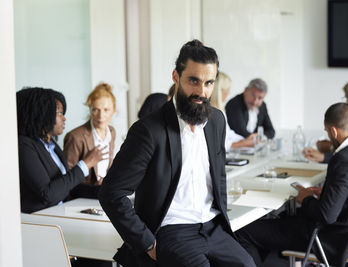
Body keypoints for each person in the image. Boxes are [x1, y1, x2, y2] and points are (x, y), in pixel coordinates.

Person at [99, 40, 256, 267]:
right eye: (194, 81)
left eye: (209, 83)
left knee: (247, 265)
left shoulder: (217, 121)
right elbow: (111, 193)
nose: (202, 92)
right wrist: (146, 243)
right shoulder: (148, 130)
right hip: (172, 230)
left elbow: (217, 178)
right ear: (176, 76)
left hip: (212, 225)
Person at [237, 103, 348, 267]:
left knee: (244, 231)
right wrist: (327, 195)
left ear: (333, 131)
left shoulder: (343, 159)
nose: (329, 136)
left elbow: (326, 216)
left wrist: (305, 198)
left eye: (328, 132)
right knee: (280, 221)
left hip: (331, 240)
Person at [17, 87, 104, 213]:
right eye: (59, 113)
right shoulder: (24, 146)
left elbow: (67, 187)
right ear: (41, 114)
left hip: (60, 212)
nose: (64, 118)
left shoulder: (51, 144)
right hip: (40, 220)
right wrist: (85, 164)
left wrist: (104, 191)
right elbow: (48, 194)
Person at [64, 83, 116, 199]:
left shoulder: (111, 132)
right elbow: (67, 179)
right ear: (90, 109)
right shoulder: (75, 137)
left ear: (114, 110)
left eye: (106, 110)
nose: (101, 116)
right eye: (95, 110)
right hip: (82, 198)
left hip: (103, 196)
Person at [210, 71, 256, 151]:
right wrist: (245, 142)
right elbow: (222, 144)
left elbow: (229, 133)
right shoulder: (211, 114)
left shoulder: (220, 112)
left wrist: (247, 139)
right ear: (220, 91)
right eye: (228, 89)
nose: (229, 93)